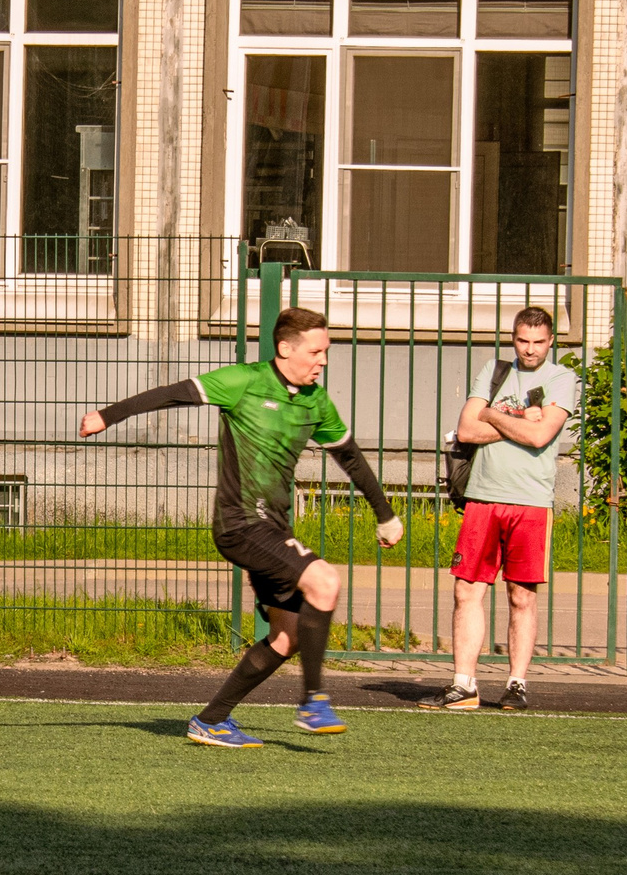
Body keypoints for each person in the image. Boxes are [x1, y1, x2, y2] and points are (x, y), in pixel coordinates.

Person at [80, 304, 403, 746]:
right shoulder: (243, 382)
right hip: (241, 525)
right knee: (324, 581)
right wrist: (107, 415)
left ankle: (211, 720)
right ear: (286, 348)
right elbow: (170, 393)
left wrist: (384, 513)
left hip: (275, 531)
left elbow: (350, 458)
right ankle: (313, 702)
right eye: (316, 352)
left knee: (285, 638)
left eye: (326, 352)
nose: (323, 361)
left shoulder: (316, 401)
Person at [429, 307, 580, 713]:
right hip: (482, 496)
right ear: (512, 338)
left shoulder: (561, 379)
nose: (529, 350)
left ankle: (516, 684)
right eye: (521, 340)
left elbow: (540, 435)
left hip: (530, 502)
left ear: (551, 342)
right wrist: (513, 415)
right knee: (466, 591)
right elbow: (466, 429)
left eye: (538, 342)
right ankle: (463, 685)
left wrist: (493, 416)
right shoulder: (493, 372)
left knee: (522, 596)